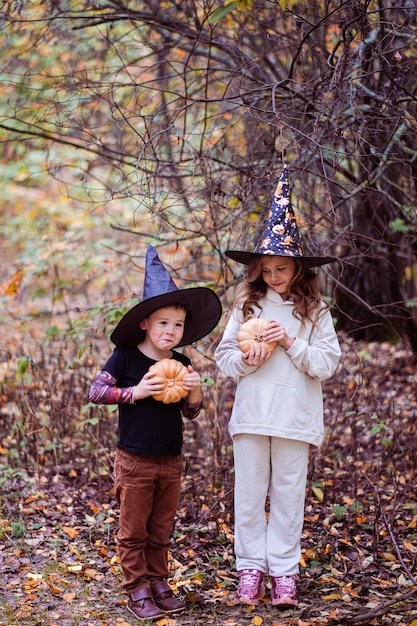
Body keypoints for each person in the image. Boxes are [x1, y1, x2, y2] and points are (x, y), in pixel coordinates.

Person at [215, 164, 341, 609]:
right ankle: (250, 568)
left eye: (281, 268)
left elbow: (327, 364)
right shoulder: (246, 306)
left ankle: (284, 572)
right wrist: (248, 361)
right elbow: (224, 358)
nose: (273, 276)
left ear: (299, 267)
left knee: (289, 495)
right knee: (248, 495)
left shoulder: (315, 312)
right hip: (251, 415)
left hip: (295, 417)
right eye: (266, 268)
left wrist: (289, 341)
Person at [89, 245, 222, 621]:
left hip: (170, 460)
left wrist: (196, 393)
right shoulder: (126, 356)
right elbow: (96, 392)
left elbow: (191, 413)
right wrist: (134, 392)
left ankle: (159, 580)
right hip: (134, 460)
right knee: (133, 530)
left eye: (178, 325)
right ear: (146, 323)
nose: (171, 331)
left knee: (161, 528)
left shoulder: (181, 362)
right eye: (163, 323)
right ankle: (137, 588)